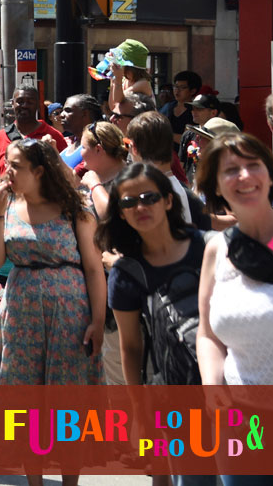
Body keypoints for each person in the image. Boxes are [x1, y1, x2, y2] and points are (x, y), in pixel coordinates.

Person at [0, 140, 105, 383]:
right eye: (7, 164)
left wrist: (98, 321)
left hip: (69, 313)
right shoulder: (3, 204)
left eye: (16, 166)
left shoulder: (73, 207)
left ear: (39, 171)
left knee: (68, 390)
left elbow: (93, 268)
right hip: (20, 311)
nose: (8, 171)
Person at [96, 163, 202, 385]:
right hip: (174, 389)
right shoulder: (125, 274)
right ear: (121, 214)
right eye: (129, 202)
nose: (140, 207)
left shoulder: (204, 245)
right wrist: (138, 409)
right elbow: (131, 347)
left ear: (168, 201)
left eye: (149, 198)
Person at [195, 132, 273, 385]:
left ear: (270, 175)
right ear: (216, 186)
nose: (245, 175)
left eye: (254, 165)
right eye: (231, 170)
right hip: (240, 418)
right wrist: (212, 389)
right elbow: (208, 335)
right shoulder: (216, 250)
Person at [0, 86, 67, 188]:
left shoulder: (54, 137)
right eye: (20, 101)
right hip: (6, 203)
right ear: (12, 104)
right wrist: (6, 183)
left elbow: (67, 175)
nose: (25, 105)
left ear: (38, 105)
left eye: (30, 102)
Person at [162, 71, 201, 142]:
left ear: (193, 91)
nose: (177, 90)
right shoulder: (168, 107)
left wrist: (165, 134)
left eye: (182, 87)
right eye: (175, 86)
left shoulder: (196, 111)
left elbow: (187, 139)